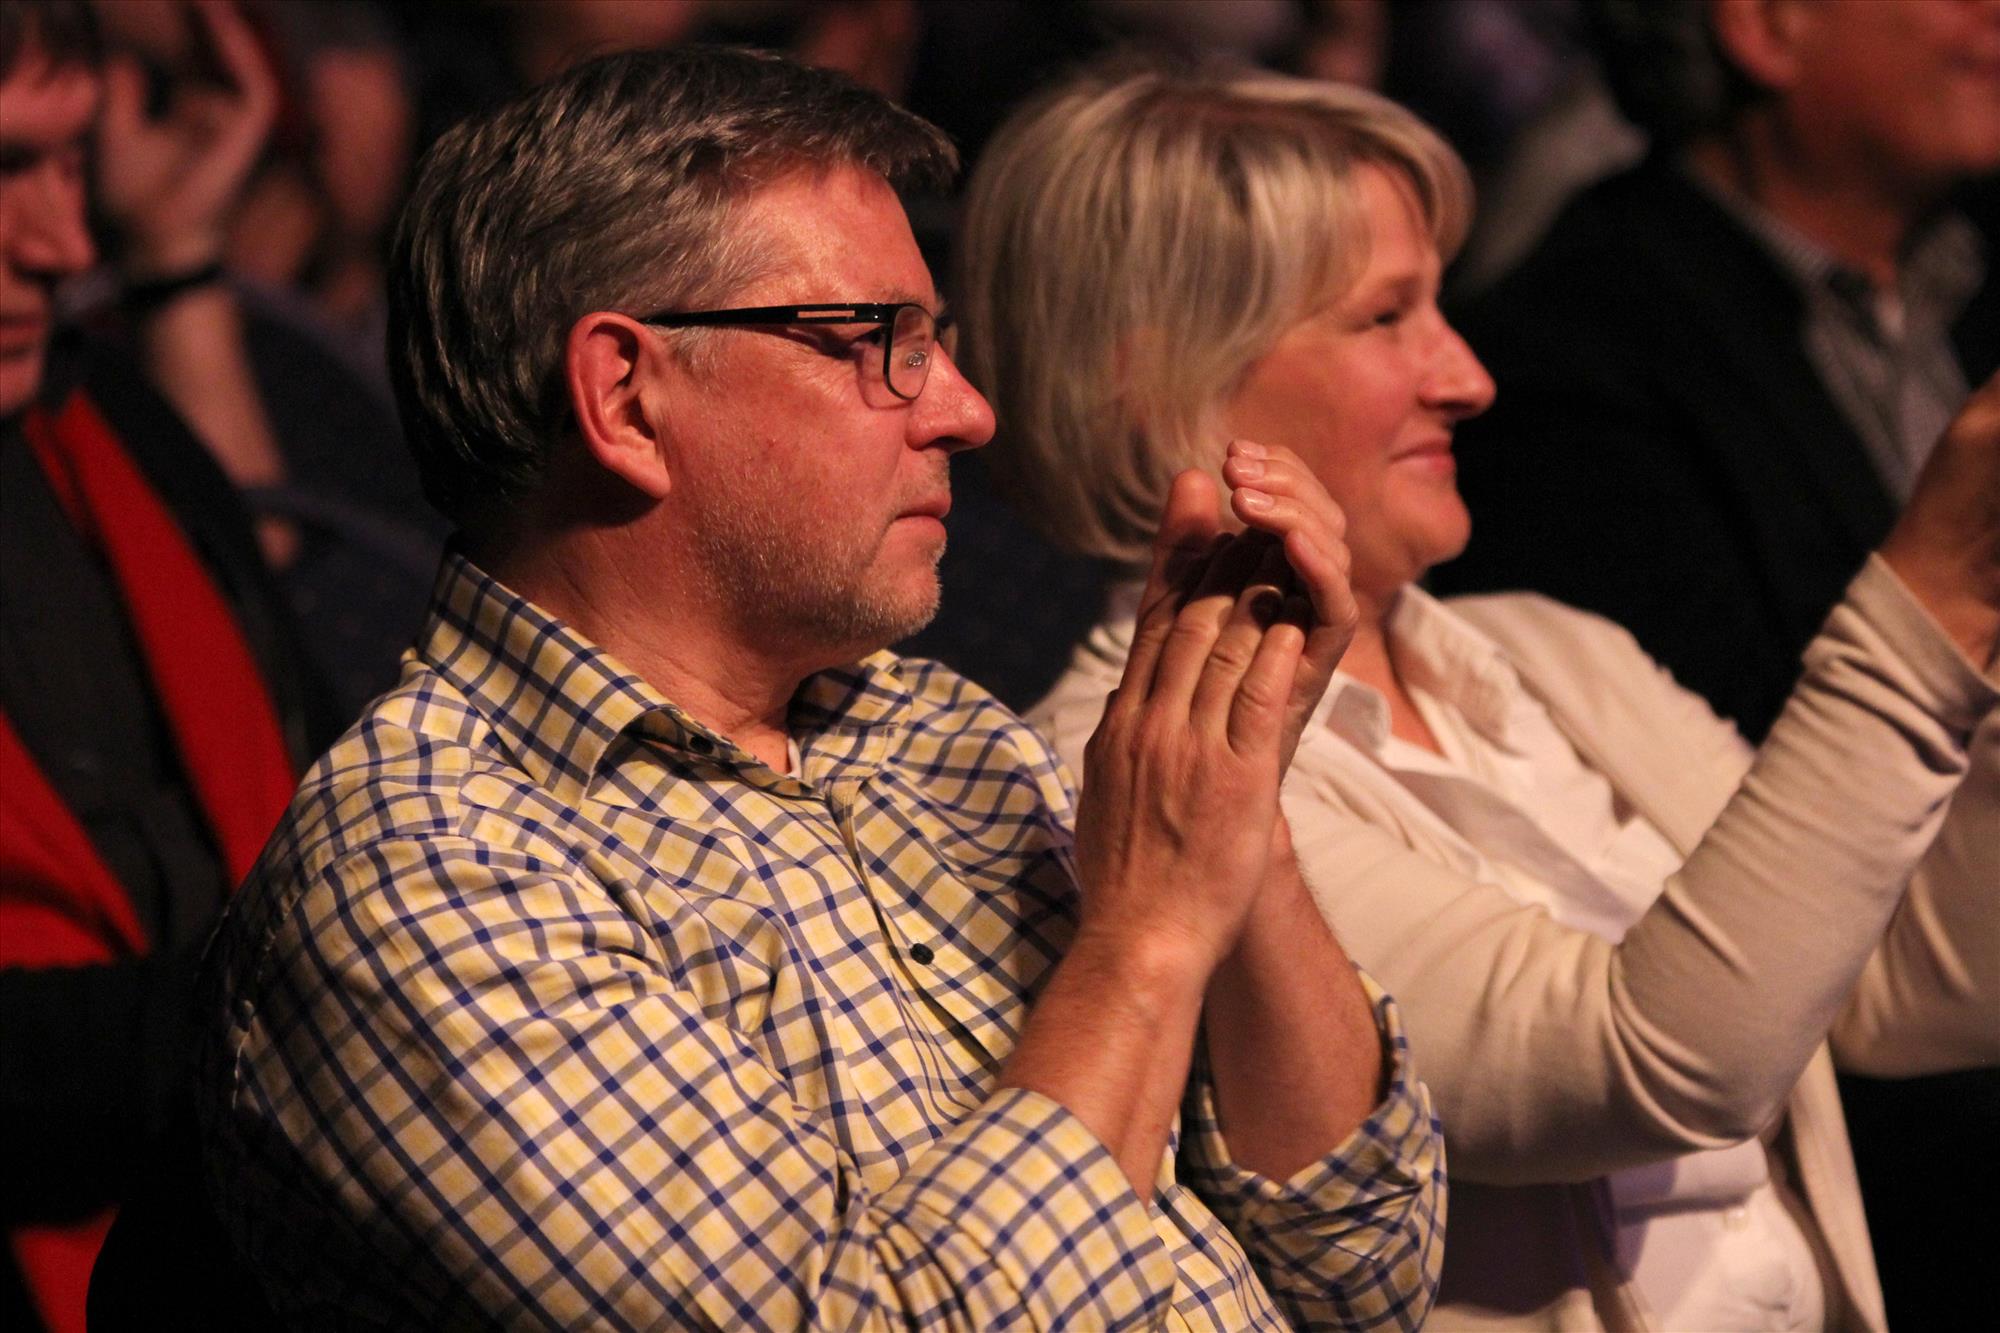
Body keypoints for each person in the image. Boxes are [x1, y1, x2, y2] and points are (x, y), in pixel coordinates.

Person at [192, 45, 1445, 1330]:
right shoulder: (427, 871)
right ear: (625, 398)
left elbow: (1359, 1270)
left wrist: (1229, 791)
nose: (963, 410)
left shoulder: (931, 729)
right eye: (879, 340)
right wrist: (1147, 938)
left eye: (938, 341)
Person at [957, 61, 1999, 1332]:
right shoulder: (1126, 772)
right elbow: (1641, 1062)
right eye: (1384, 317)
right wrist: (1925, 602)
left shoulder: (1553, 652)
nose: (1467, 376)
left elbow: (1875, 976)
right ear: (1157, 378)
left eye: (1438, 308)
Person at [1427, 5, 2000, 1323]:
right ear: (1765, 27)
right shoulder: (1575, 350)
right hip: (1884, 1154)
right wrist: (1946, 583)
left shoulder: (1971, 274)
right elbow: (1751, 848)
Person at [0, 3, 323, 1329]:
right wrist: (313, 1007)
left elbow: (304, 719)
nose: (62, 246)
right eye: (2, 170)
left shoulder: (94, 416)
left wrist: (179, 254)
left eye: (69, 163)